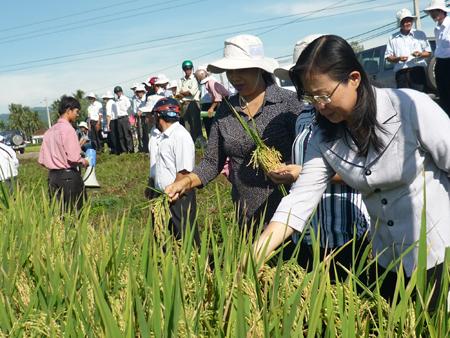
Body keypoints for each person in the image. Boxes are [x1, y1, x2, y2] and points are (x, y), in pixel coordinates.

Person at [252, 35, 450, 309]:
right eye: (311, 97)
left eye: (324, 95)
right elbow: (299, 201)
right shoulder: (323, 136)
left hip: (438, 255)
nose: (318, 105)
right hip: (387, 260)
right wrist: (255, 253)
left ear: (354, 78)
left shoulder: (410, 108)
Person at [165, 34, 302, 229]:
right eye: (230, 71)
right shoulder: (226, 110)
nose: (235, 77)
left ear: (259, 68)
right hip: (247, 216)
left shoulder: (289, 103)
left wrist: (291, 170)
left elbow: (310, 159)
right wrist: (186, 182)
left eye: (242, 70)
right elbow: (212, 162)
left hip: (291, 217)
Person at [272, 35, 370, 280]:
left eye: (321, 93)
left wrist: (301, 173)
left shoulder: (353, 116)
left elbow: (370, 174)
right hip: (309, 231)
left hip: (346, 233)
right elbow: (307, 181)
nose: (317, 102)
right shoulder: (305, 116)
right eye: (307, 91)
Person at [147, 97, 199, 243]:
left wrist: (173, 191)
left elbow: (184, 171)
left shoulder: (180, 136)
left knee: (185, 235)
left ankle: (194, 264)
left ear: (159, 116)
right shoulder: (159, 136)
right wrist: (151, 185)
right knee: (163, 237)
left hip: (179, 195)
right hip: (162, 194)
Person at [38, 96, 89, 212]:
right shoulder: (68, 129)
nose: (77, 115)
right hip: (68, 177)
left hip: (52, 178)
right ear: (68, 110)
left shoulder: (49, 131)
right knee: (74, 214)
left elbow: (41, 160)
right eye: (76, 112)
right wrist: (84, 161)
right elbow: (73, 158)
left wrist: (55, 164)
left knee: (59, 214)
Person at [385, 8, 432, 91]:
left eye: (409, 20)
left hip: (417, 72)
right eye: (405, 21)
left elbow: (428, 53)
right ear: (400, 23)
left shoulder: (420, 34)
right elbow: (388, 57)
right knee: (404, 101)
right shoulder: (392, 38)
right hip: (401, 74)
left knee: (419, 99)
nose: (408, 23)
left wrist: (420, 54)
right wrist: (398, 58)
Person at [425, 0, 450, 116]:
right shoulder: (437, 28)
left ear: (441, 11)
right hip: (440, 64)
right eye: (430, 13)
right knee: (444, 96)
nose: (432, 15)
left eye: (433, 12)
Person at [194, 68, 230, 138]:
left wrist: (211, 108)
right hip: (221, 102)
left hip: (225, 101)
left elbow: (218, 98)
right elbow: (214, 98)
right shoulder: (207, 83)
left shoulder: (210, 83)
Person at [177, 60, 205, 147]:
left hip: (193, 103)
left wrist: (183, 93)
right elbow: (177, 94)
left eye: (189, 68)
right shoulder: (180, 80)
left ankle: (199, 144)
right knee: (186, 125)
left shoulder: (195, 79)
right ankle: (190, 144)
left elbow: (192, 92)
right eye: (186, 69)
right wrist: (184, 93)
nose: (188, 70)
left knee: (195, 124)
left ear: (192, 69)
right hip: (184, 104)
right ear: (183, 69)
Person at [114, 86, 134, 154]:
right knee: (121, 136)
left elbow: (128, 108)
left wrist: (130, 119)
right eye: (117, 92)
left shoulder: (125, 99)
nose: (118, 93)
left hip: (125, 117)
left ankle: (130, 150)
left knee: (127, 135)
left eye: (119, 92)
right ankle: (124, 150)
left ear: (121, 92)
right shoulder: (116, 100)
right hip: (119, 118)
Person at [132, 84, 148, 153]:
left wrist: (142, 111)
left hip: (146, 117)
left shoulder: (146, 98)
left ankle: (147, 148)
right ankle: (142, 148)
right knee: (140, 134)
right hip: (139, 118)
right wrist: (135, 119)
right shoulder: (135, 100)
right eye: (138, 92)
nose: (139, 93)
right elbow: (134, 110)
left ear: (143, 92)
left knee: (147, 133)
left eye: (141, 91)